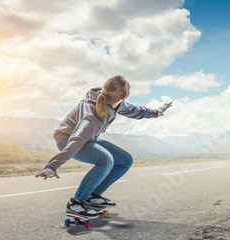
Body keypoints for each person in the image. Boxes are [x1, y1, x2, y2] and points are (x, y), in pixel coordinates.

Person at [35, 75, 172, 218]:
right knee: (106, 160)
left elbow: (135, 110)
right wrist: (52, 166)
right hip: (67, 139)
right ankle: (76, 202)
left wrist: (156, 112)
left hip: (87, 138)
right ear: (124, 96)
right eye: (129, 88)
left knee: (125, 160)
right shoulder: (93, 116)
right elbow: (76, 141)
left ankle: (92, 196)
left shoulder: (116, 102)